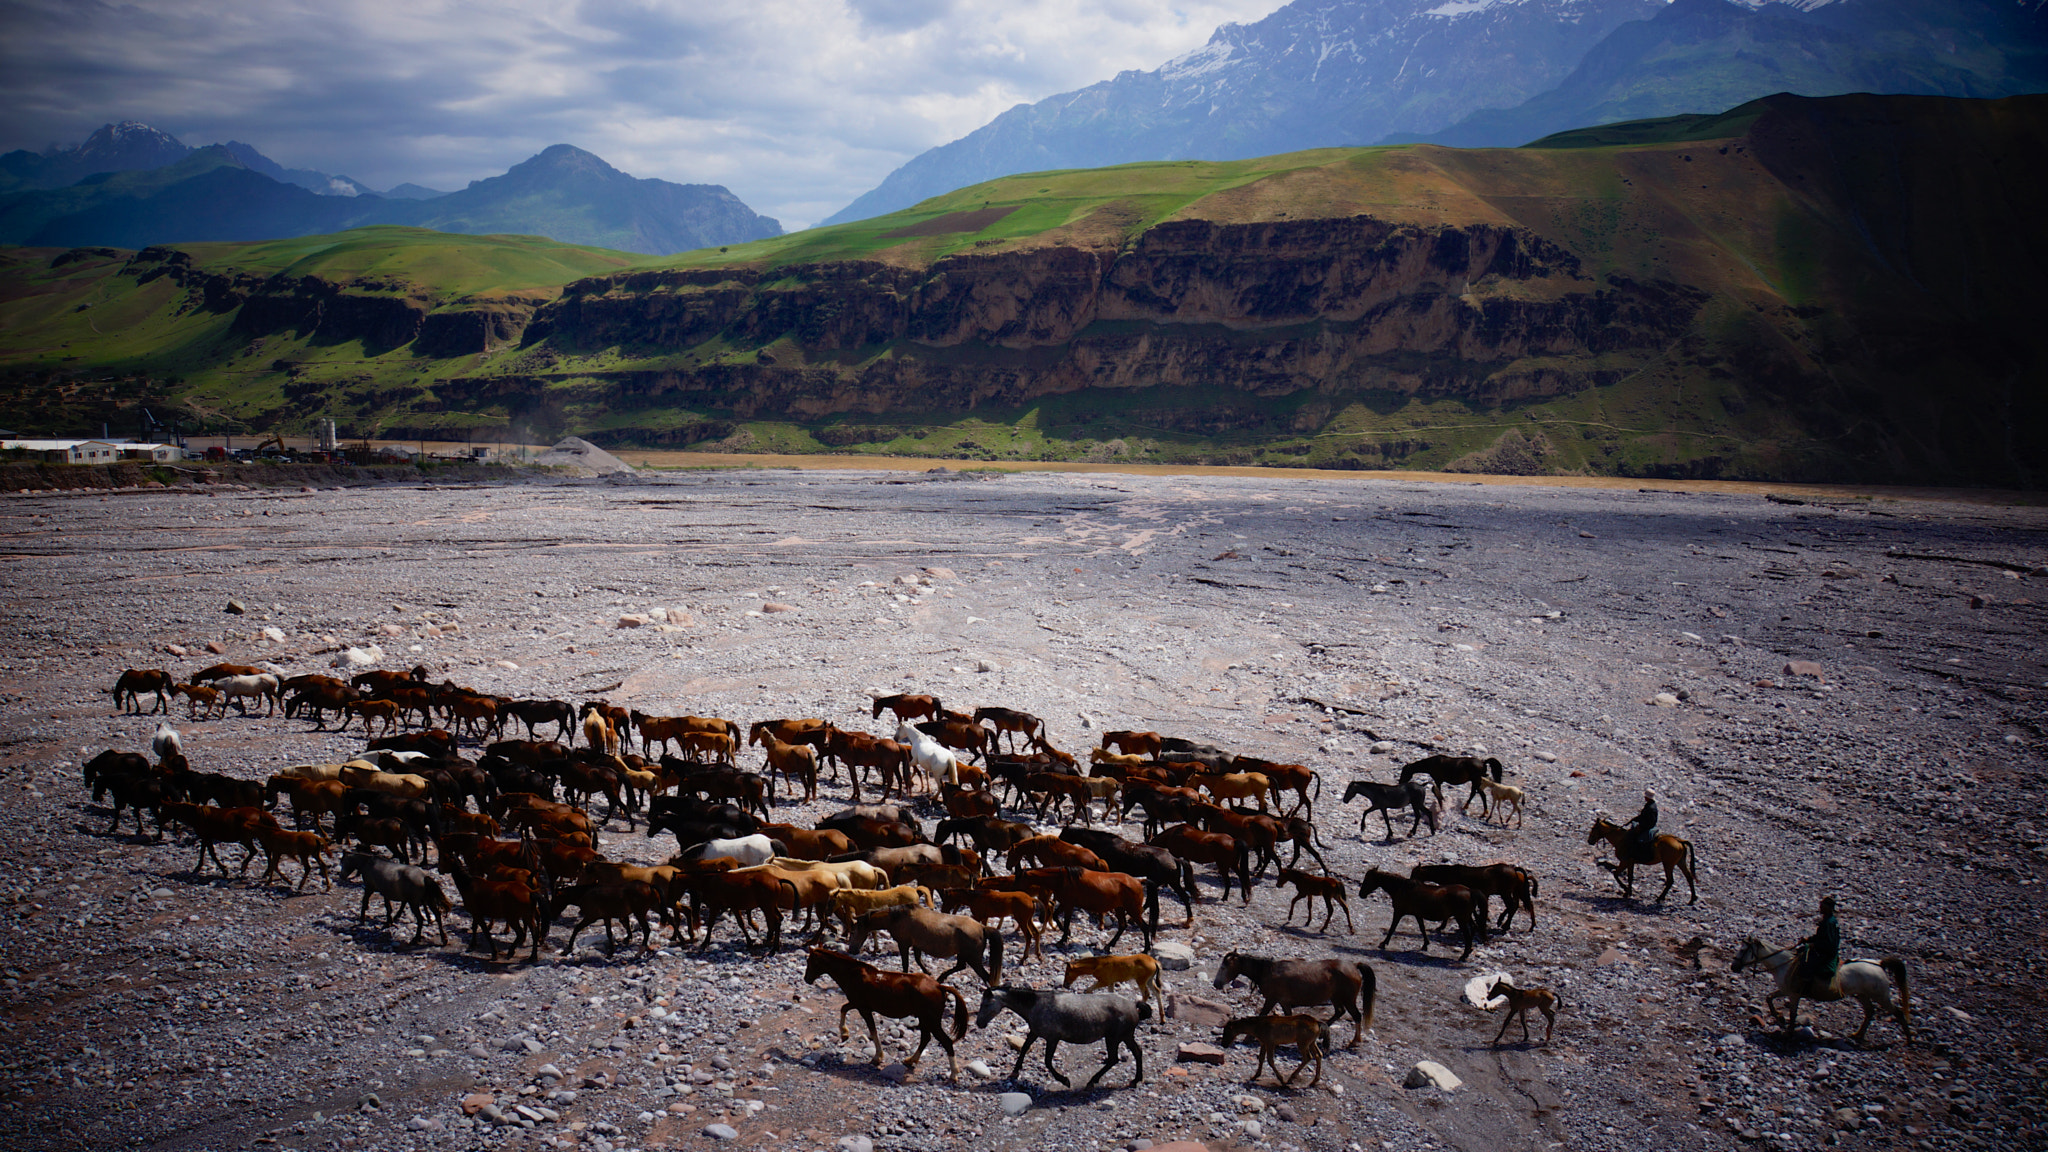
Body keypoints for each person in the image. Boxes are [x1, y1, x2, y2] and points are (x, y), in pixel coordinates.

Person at [1797, 895, 1841, 993]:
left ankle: (1806, 987)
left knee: (1807, 962)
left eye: (1822, 906)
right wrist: (1808, 939)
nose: (1820, 908)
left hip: (1826, 951)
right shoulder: (1828, 920)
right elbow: (1820, 936)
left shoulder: (1829, 923)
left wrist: (1814, 945)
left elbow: (1828, 942)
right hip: (1824, 948)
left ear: (1828, 908)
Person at [1623, 788, 1658, 863]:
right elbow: (1643, 817)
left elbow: (1650, 821)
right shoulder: (1650, 805)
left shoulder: (1650, 808)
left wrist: (1641, 827)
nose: (1644, 798)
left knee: (1632, 836)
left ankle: (1634, 855)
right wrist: (1633, 820)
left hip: (1646, 827)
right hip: (1646, 826)